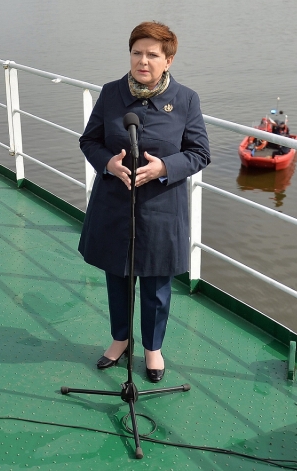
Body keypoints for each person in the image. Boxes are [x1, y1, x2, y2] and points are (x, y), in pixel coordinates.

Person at [78, 22, 210, 383]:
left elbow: (199, 153)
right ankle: (120, 339)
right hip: (113, 204)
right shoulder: (110, 94)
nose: (143, 61)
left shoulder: (186, 100)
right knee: (116, 277)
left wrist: (164, 167)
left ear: (168, 60)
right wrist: (108, 163)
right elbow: (89, 141)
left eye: (153, 55)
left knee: (155, 284)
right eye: (137, 52)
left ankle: (153, 348)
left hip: (162, 209)